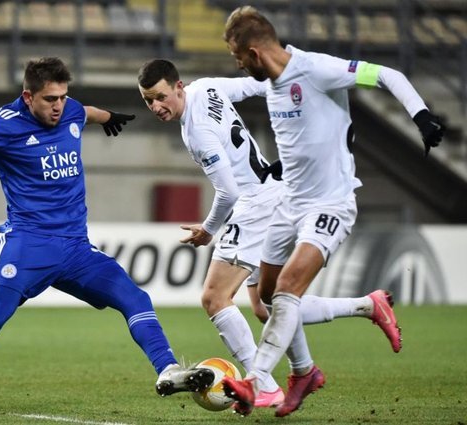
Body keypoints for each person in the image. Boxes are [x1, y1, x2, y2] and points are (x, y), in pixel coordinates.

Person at [0, 57, 214, 422]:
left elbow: (86, 112)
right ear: (28, 97)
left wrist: (108, 117)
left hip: (76, 249)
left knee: (135, 298)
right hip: (28, 246)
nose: (58, 106)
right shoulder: (5, 124)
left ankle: (167, 370)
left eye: (62, 97)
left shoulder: (70, 110)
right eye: (50, 99)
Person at [137, 59, 405, 409]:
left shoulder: (198, 132)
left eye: (160, 97)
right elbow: (255, 85)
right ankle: (367, 306)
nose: (156, 106)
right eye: (148, 100)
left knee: (215, 297)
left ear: (178, 87)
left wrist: (209, 230)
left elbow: (229, 193)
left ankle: (261, 385)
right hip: (272, 190)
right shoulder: (206, 87)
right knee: (267, 306)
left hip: (255, 203)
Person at [220, 6, 445, 417]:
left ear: (254, 53)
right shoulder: (273, 83)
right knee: (266, 298)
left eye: (238, 58)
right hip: (290, 202)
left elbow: (387, 74)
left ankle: (254, 381)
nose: (238, 66)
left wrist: (422, 116)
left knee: (288, 288)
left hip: (331, 204)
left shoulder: (316, 69)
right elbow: (303, 136)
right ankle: (307, 369)